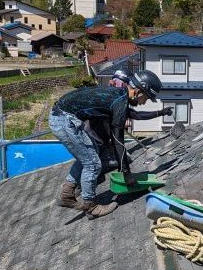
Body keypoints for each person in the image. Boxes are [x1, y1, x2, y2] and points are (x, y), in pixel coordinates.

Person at [49, 70, 162, 219]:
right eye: (146, 98)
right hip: (64, 120)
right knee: (93, 164)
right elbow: (117, 142)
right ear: (138, 91)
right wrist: (127, 175)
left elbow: (120, 132)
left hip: (63, 116)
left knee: (90, 154)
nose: (143, 103)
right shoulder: (120, 102)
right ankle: (90, 206)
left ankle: (67, 194)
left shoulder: (119, 94)